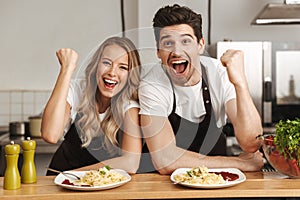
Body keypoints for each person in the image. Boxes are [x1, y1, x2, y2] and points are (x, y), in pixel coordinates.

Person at [138, 4, 264, 174]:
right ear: (158, 51)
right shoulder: (151, 85)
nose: (177, 51)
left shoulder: (219, 73)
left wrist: (240, 82)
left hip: (219, 182)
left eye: (185, 41)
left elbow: (251, 142)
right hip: (168, 188)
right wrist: (239, 163)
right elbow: (165, 160)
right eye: (168, 43)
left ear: (200, 44)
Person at [41, 36, 142, 175]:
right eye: (107, 63)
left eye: (123, 67)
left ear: (130, 75)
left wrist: (75, 175)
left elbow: (130, 163)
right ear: (96, 66)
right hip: (59, 184)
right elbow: (50, 135)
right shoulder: (77, 90)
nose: (112, 72)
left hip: (94, 184)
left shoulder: (129, 106)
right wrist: (67, 69)